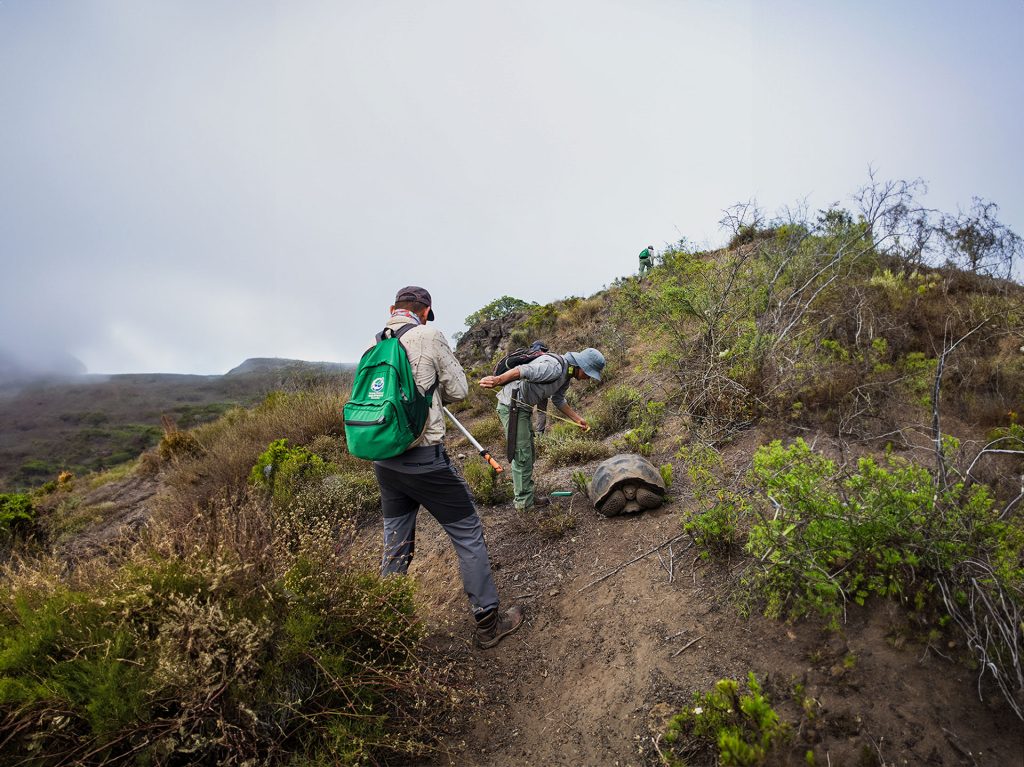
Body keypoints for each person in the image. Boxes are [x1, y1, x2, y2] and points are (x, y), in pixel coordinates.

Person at [371, 286, 523, 649]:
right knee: (468, 534)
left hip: (383, 461)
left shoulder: (376, 344)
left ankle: (380, 621)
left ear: (394, 309)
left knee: (396, 543)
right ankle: (488, 623)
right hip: (425, 461)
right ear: (425, 312)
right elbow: (459, 390)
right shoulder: (429, 335)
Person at [480, 347, 605, 513]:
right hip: (512, 407)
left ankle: (527, 496)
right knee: (522, 454)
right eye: (588, 374)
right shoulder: (554, 367)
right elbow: (522, 371)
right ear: (581, 366)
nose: (588, 378)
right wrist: (497, 380)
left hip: (521, 409)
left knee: (529, 452)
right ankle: (524, 504)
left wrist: (577, 419)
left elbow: (558, 400)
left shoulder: (565, 375)